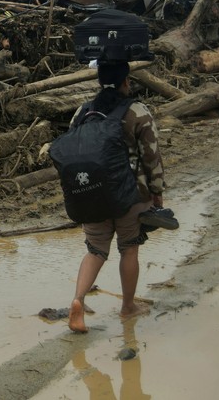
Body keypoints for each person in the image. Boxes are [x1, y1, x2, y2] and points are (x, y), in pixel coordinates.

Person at [68, 61, 166, 333]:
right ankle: (128, 307)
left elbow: (75, 152)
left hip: (91, 194)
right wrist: (157, 193)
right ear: (126, 82)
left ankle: (77, 300)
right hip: (130, 194)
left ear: (99, 81)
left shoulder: (83, 111)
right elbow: (152, 156)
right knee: (129, 249)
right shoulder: (137, 111)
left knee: (95, 250)